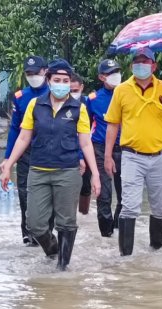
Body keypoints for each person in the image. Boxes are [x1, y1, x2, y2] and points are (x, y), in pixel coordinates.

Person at [0, 59, 101, 271]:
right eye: (57, 80)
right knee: (34, 224)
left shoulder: (79, 108)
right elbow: (23, 138)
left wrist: (95, 174)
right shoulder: (35, 105)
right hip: (39, 171)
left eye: (65, 80)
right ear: (49, 80)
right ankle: (52, 248)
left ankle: (62, 268)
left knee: (66, 222)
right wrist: (8, 165)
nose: (61, 84)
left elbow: (85, 142)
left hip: (67, 171)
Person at [104, 47, 162, 256]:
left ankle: (156, 250)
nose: (140, 64)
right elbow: (113, 124)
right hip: (131, 156)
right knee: (129, 206)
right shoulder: (121, 90)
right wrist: (107, 156)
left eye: (145, 60)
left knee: (160, 208)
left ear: (154, 65)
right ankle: (126, 257)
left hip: (160, 157)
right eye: (136, 61)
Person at [1, 56, 52, 246]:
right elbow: (15, 129)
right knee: (24, 193)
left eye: (36, 72)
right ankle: (28, 233)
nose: (33, 76)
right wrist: (8, 159)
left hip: (49, 151)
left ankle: (46, 231)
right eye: (29, 73)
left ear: (45, 71)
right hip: (25, 152)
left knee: (48, 193)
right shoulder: (20, 97)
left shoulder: (55, 93)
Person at [84, 59, 124, 237]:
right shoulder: (92, 100)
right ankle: (106, 236)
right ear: (101, 77)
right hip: (100, 149)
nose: (116, 76)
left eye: (117, 71)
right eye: (110, 73)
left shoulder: (127, 94)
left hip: (126, 148)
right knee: (104, 194)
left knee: (126, 195)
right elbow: (83, 129)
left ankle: (119, 229)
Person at [70, 73, 91, 214]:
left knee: (86, 186)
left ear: (82, 88)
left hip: (87, 147)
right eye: (70, 90)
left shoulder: (89, 103)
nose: (72, 94)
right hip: (68, 149)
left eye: (75, 91)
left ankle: (84, 216)